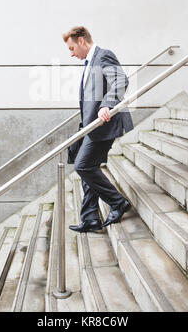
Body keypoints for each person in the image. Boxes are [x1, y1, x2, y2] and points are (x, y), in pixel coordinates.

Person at [62, 26, 134, 232]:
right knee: (87, 166)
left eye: (72, 47)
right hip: (91, 126)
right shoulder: (90, 62)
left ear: (82, 41)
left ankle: (118, 202)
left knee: (83, 166)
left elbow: (121, 80)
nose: (71, 53)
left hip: (103, 124)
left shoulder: (104, 56)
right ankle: (90, 217)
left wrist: (107, 104)